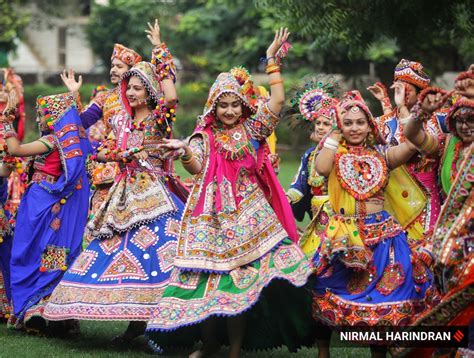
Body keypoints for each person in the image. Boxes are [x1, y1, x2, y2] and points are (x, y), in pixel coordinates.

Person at [146, 28, 314, 358]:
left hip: (250, 219)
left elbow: (278, 101)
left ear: (243, 106)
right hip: (211, 219)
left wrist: (271, 62)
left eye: (234, 105)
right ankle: (209, 345)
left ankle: (234, 351)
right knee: (212, 284)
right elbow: (195, 167)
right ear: (213, 108)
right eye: (222, 106)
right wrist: (183, 152)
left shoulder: (252, 129)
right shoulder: (204, 136)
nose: (229, 111)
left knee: (241, 286)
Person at [43, 22, 186, 344]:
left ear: (150, 90)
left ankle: (162, 327)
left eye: (137, 87)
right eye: (128, 87)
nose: (130, 92)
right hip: (119, 195)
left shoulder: (158, 117)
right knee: (107, 249)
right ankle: (129, 323)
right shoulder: (119, 118)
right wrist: (109, 155)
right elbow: (105, 148)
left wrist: (160, 49)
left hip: (153, 194)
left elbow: (172, 95)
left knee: (156, 254)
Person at [312, 90, 438, 358]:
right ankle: (324, 353)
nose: (354, 128)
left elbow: (413, 145)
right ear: (340, 126)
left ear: (370, 125)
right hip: (343, 237)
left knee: (382, 299)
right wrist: (333, 136)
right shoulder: (333, 153)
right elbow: (322, 169)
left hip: (382, 237)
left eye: (360, 122)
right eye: (348, 123)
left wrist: (408, 111)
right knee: (325, 291)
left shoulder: (381, 154)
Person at [1, 90, 92, 333]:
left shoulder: (52, 141)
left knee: (34, 253)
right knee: (40, 252)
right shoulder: (64, 142)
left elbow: (15, 150)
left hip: (42, 204)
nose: (40, 120)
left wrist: (6, 121)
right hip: (42, 204)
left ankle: (39, 310)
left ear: (55, 117)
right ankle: (43, 312)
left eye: (43, 115)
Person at [372, 59, 445, 238]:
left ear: (420, 93)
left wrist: (403, 108)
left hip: (426, 199)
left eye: (407, 89)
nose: (402, 93)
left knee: (424, 252)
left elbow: (416, 141)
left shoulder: (438, 120)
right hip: (392, 200)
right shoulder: (383, 123)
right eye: (398, 88)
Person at [285, 78, 339, 257]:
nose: (322, 128)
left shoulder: (344, 153)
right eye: (319, 123)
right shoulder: (310, 154)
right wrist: (284, 199)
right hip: (317, 218)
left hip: (340, 218)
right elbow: (299, 186)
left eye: (326, 123)